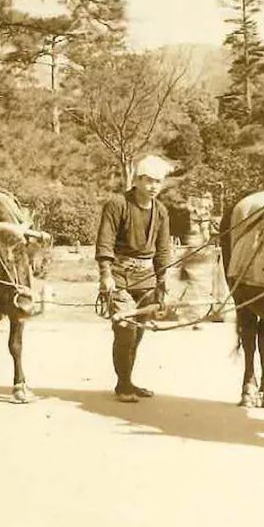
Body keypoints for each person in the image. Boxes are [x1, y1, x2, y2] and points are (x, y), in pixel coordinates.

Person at [95, 155, 173, 403]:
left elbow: (162, 250)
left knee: (138, 333)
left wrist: (162, 282)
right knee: (125, 330)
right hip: (119, 276)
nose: (153, 187)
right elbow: (105, 241)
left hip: (147, 279)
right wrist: (105, 275)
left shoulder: (160, 210)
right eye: (148, 181)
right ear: (137, 180)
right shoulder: (117, 204)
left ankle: (128, 380)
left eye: (158, 182)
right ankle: (122, 384)